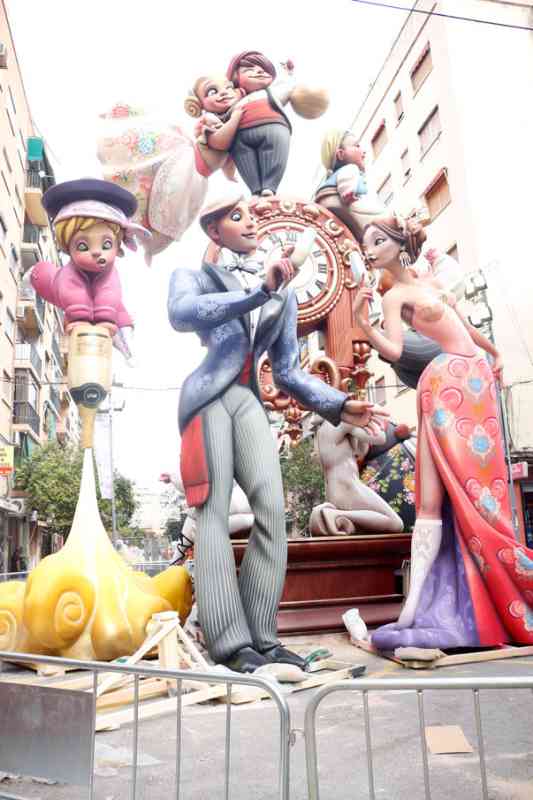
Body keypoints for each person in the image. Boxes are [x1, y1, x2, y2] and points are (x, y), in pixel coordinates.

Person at [168, 193, 388, 672]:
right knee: (213, 512)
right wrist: (258, 292)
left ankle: (263, 637)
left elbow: (287, 371)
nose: (250, 223)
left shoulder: (283, 291)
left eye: (251, 215)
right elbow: (182, 313)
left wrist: (339, 404)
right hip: (208, 396)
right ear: (214, 230)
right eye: (236, 216)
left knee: (271, 507)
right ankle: (230, 643)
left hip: (249, 398)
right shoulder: (194, 276)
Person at [353, 214, 533, 649]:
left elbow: (464, 325)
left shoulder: (427, 280)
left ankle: (486, 592)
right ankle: (413, 606)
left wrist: (494, 353)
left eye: (377, 241)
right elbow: (395, 350)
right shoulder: (394, 297)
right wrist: (365, 324)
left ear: (399, 244)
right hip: (447, 381)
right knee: (442, 490)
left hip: (476, 379)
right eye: (366, 244)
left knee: (485, 486)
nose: (369, 250)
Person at [30, 178, 149, 333]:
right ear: (68, 247)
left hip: (101, 329)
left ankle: (100, 316)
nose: (97, 252)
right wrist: (78, 314)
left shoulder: (111, 276)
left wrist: (112, 318)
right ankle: (82, 314)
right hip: (75, 313)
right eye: (83, 246)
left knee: (109, 293)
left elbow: (112, 296)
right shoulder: (69, 275)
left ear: (117, 246)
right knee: (72, 289)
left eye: (106, 245)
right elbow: (70, 290)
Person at [315, 129, 384, 243]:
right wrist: (348, 193)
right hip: (349, 201)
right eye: (357, 146)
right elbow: (345, 180)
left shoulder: (343, 174)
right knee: (382, 216)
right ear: (341, 154)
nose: (363, 151)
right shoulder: (350, 168)